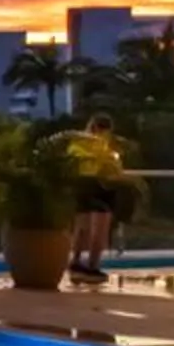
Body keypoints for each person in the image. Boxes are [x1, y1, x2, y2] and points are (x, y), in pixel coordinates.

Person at [57, 114, 127, 284]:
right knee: (98, 228)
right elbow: (113, 166)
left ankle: (77, 262)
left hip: (84, 185)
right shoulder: (102, 147)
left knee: (83, 226)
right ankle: (92, 266)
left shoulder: (78, 145)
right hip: (98, 185)